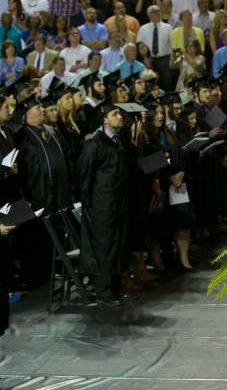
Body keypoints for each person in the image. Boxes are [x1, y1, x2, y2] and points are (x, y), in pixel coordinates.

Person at [78, 102, 131, 305]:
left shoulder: (118, 142)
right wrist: (89, 205)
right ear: (104, 119)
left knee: (117, 244)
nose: (120, 116)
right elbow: (85, 176)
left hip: (118, 204)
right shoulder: (95, 144)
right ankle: (103, 290)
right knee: (103, 245)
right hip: (101, 206)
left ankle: (115, 286)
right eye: (115, 113)